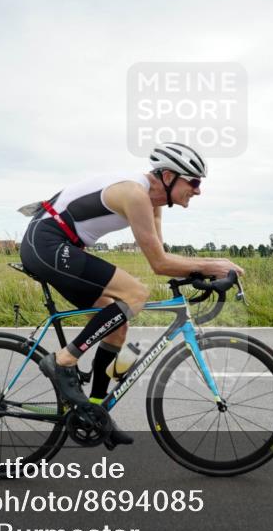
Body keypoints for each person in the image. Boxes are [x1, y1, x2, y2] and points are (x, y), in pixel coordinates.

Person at [18, 142, 244, 448]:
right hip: (46, 242)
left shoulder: (154, 204)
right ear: (167, 176)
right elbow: (160, 264)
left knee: (118, 325)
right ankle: (63, 360)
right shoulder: (135, 194)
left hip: (61, 247)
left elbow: (164, 261)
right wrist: (214, 265)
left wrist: (201, 275)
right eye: (193, 181)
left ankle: (96, 413)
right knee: (136, 294)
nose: (198, 190)